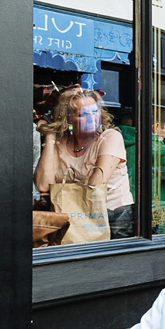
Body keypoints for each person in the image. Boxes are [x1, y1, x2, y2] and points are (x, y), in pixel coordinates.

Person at [34, 86, 135, 238]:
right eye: (83, 114)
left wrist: (61, 188)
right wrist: (50, 138)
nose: (91, 118)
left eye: (94, 112)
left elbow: (95, 187)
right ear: (68, 118)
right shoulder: (60, 142)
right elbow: (42, 185)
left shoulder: (110, 137)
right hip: (72, 217)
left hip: (112, 219)